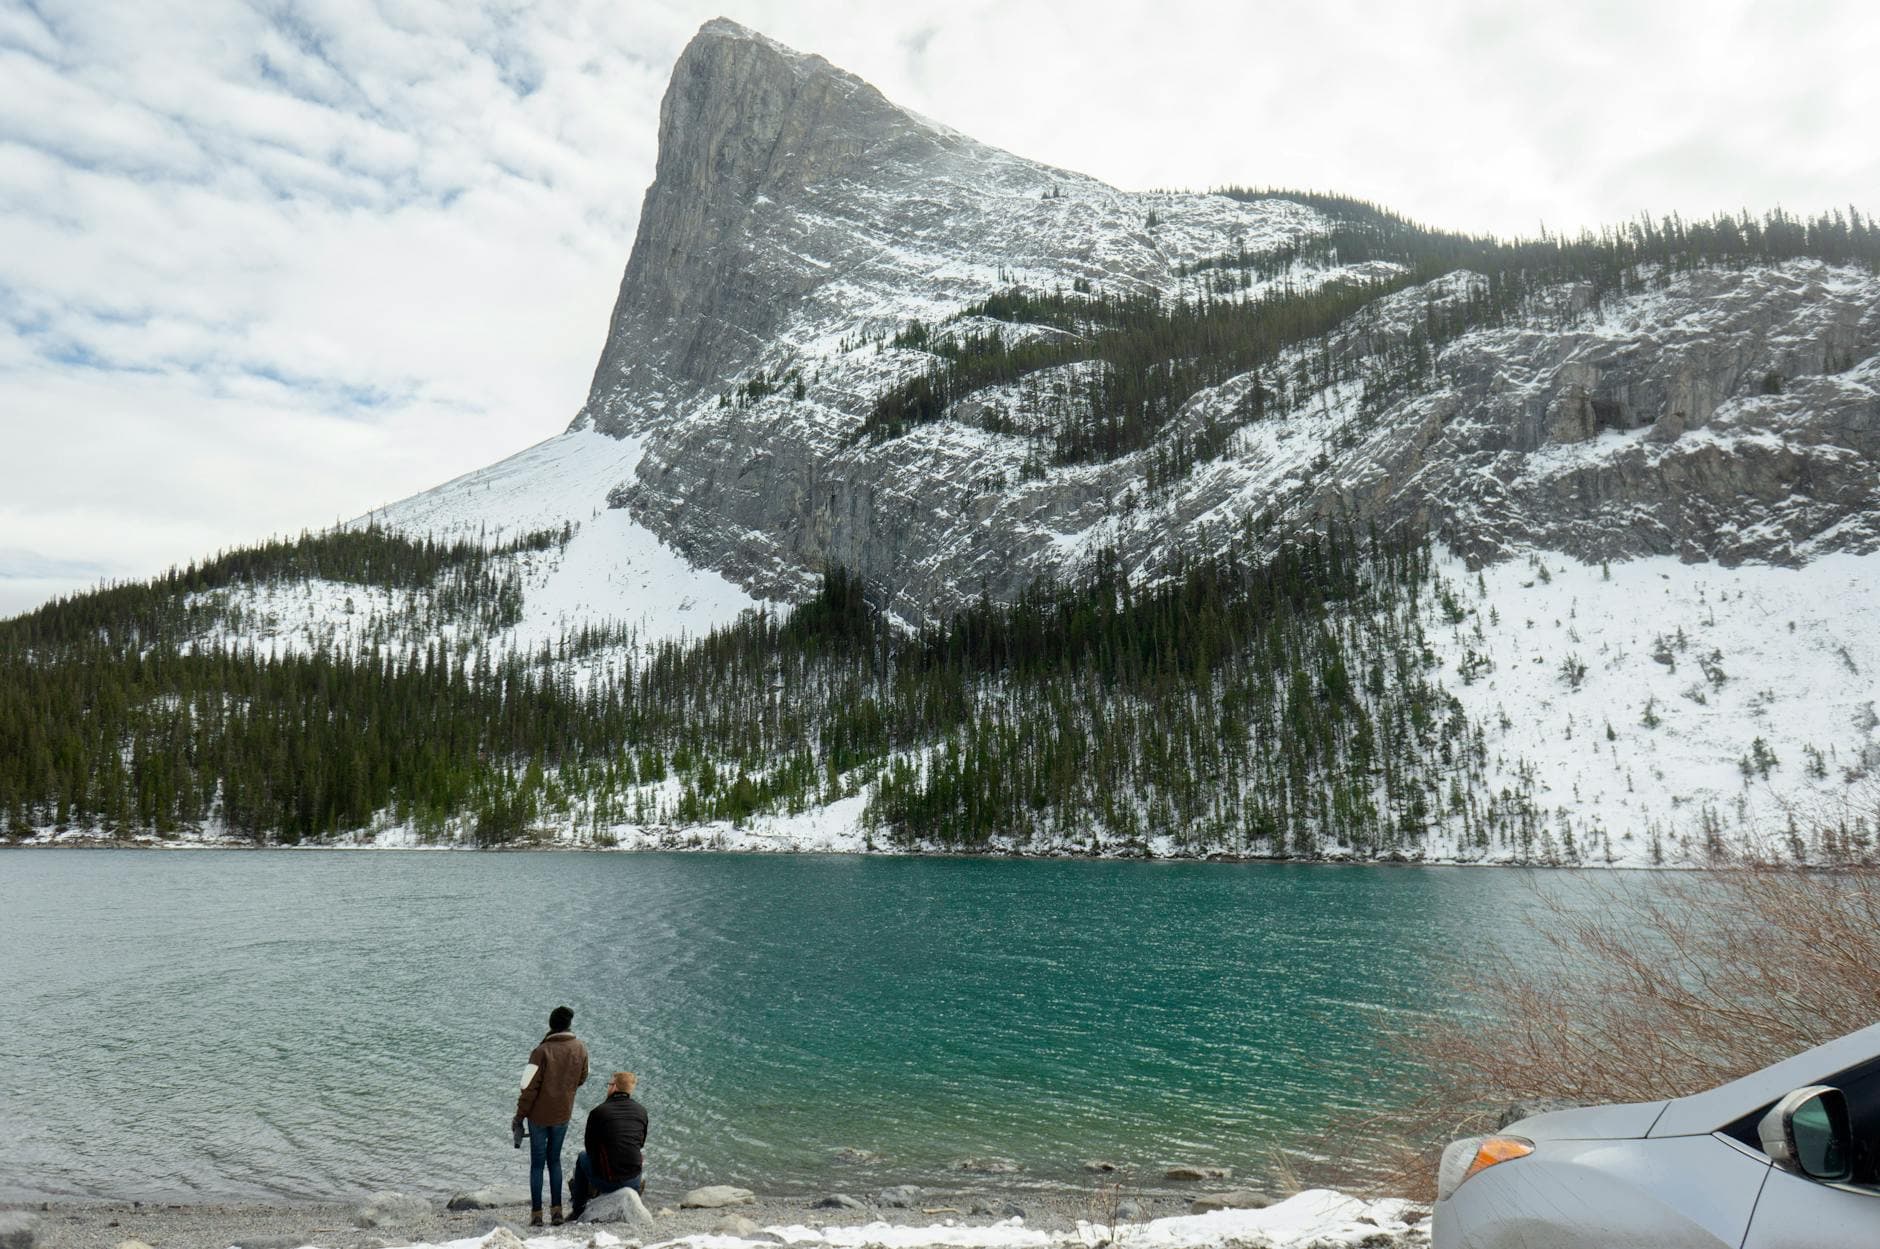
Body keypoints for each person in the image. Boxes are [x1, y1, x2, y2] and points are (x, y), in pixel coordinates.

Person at [511, 1005, 590, 1226]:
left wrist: (519, 1116)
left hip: (538, 1118)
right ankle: (557, 1212)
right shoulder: (580, 1048)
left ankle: (537, 1215)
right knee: (554, 1161)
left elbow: (528, 1089)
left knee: (537, 1165)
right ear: (568, 1025)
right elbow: (582, 1078)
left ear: (551, 1024)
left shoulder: (541, 1051)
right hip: (562, 1114)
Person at [569, 1071, 650, 1219]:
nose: (608, 1087)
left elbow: (590, 1148)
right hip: (634, 1181)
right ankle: (634, 1201)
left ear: (614, 1087)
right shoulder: (641, 1111)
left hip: (609, 1182)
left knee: (582, 1158)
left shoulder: (599, 1112)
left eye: (609, 1084)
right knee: (635, 1153)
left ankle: (578, 1209)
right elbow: (641, 1143)